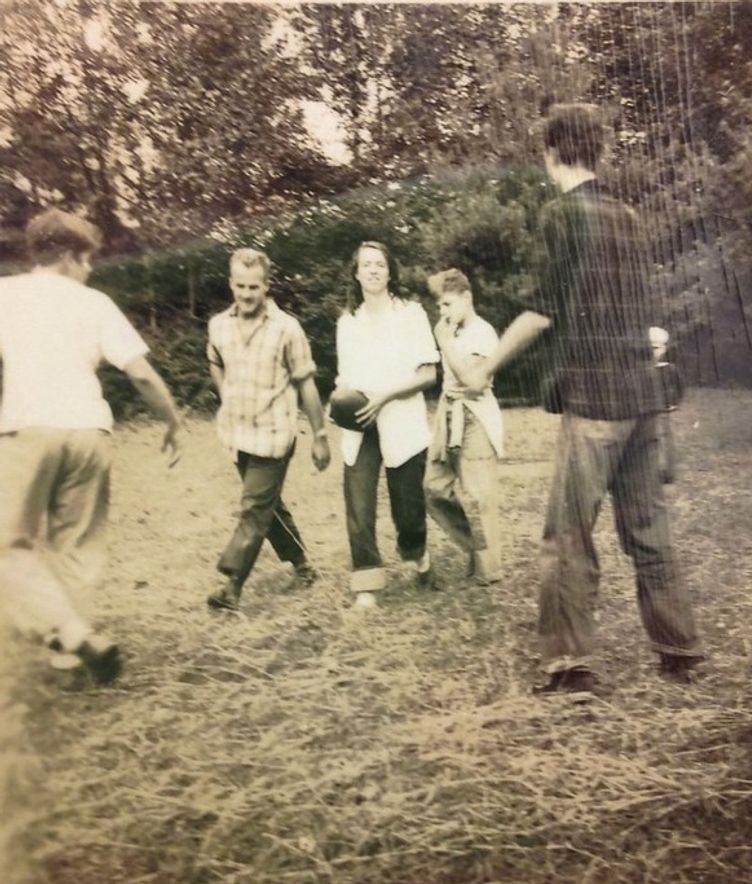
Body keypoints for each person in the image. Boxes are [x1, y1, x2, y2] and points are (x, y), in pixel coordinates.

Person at [462, 103, 704, 691]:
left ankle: (571, 665)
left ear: (551, 152)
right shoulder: (628, 215)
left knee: (567, 535)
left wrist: (484, 368)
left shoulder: (560, 216)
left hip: (595, 404)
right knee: (649, 529)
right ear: (598, 151)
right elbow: (647, 315)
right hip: (645, 400)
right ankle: (680, 650)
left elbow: (543, 310)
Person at [0, 208, 182, 684]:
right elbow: (139, 372)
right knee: (76, 544)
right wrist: (173, 421)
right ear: (66, 256)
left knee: (9, 546)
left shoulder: (6, 295)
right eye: (86, 260)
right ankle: (69, 650)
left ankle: (71, 635)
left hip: (28, 430)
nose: (89, 269)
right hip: (88, 432)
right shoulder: (95, 303)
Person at [206, 248, 330, 612]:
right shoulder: (218, 325)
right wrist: (225, 391)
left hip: (275, 435)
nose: (246, 294)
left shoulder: (287, 328)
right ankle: (302, 565)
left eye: (254, 287)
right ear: (231, 284)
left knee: (253, 507)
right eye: (240, 286)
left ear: (266, 286)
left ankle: (231, 585)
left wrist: (320, 436)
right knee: (267, 506)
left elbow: (306, 383)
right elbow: (214, 360)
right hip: (237, 434)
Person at [332, 241, 440, 607]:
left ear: (390, 271)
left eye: (380, 264)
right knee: (359, 505)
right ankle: (366, 585)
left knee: (408, 511)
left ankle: (417, 553)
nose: (374, 270)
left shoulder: (410, 314)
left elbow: (428, 374)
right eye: (366, 264)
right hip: (360, 423)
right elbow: (344, 376)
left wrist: (385, 397)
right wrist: (344, 399)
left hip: (401, 421)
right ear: (357, 273)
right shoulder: (347, 322)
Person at [424, 268, 504, 585]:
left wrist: (444, 343)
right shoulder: (454, 332)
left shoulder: (483, 332)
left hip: (475, 415)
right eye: (440, 307)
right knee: (432, 487)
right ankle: (476, 548)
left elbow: (473, 383)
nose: (442, 313)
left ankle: (489, 571)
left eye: (447, 304)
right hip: (449, 413)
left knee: (479, 495)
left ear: (467, 297)